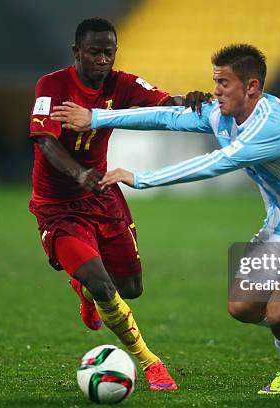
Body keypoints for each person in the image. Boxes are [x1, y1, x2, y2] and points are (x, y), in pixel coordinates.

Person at [50, 43, 280, 395]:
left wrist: (139, 178)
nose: (215, 91)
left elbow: (215, 163)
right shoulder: (223, 114)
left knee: (277, 313)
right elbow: (166, 118)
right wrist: (96, 117)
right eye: (215, 82)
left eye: (224, 83)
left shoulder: (271, 127)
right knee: (242, 308)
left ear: (252, 87)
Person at [28, 17, 209, 391]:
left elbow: (163, 103)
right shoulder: (52, 85)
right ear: (77, 52)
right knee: (103, 284)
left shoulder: (121, 83)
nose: (102, 59)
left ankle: (85, 289)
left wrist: (187, 101)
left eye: (108, 52)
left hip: (103, 195)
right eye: (94, 52)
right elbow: (44, 141)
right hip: (58, 207)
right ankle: (151, 363)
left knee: (130, 288)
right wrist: (79, 174)